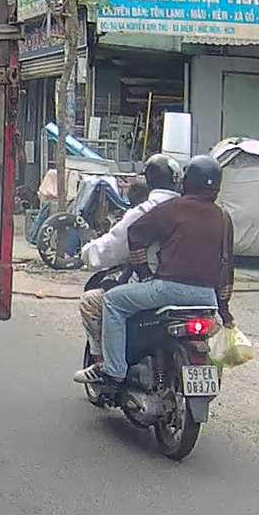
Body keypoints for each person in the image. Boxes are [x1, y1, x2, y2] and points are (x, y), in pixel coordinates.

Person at [75, 155, 235, 387]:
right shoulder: (223, 217)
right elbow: (226, 265)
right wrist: (225, 310)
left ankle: (113, 371)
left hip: (168, 290)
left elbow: (135, 234)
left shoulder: (172, 209)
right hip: (206, 297)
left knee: (112, 301)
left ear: (186, 181)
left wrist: (144, 274)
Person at [77, 154, 181, 363]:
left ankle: (106, 366)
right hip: (198, 292)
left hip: (155, 288)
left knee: (95, 302)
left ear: (148, 181)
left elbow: (113, 247)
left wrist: (87, 253)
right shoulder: (195, 212)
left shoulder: (145, 212)